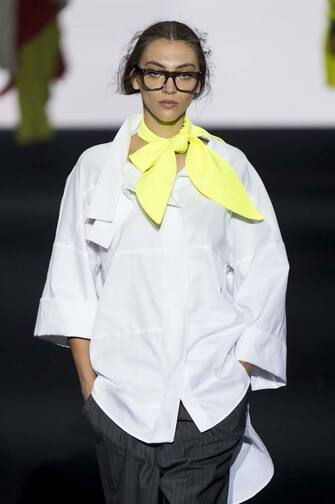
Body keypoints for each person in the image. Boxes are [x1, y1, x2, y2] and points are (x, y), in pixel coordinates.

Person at [33, 20, 290, 504]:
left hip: (209, 394)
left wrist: (239, 368)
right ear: (134, 78)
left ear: (199, 82)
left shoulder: (228, 166)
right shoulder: (95, 169)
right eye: (156, 73)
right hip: (122, 395)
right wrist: (91, 385)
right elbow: (73, 276)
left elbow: (266, 266)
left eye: (184, 75)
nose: (169, 87)